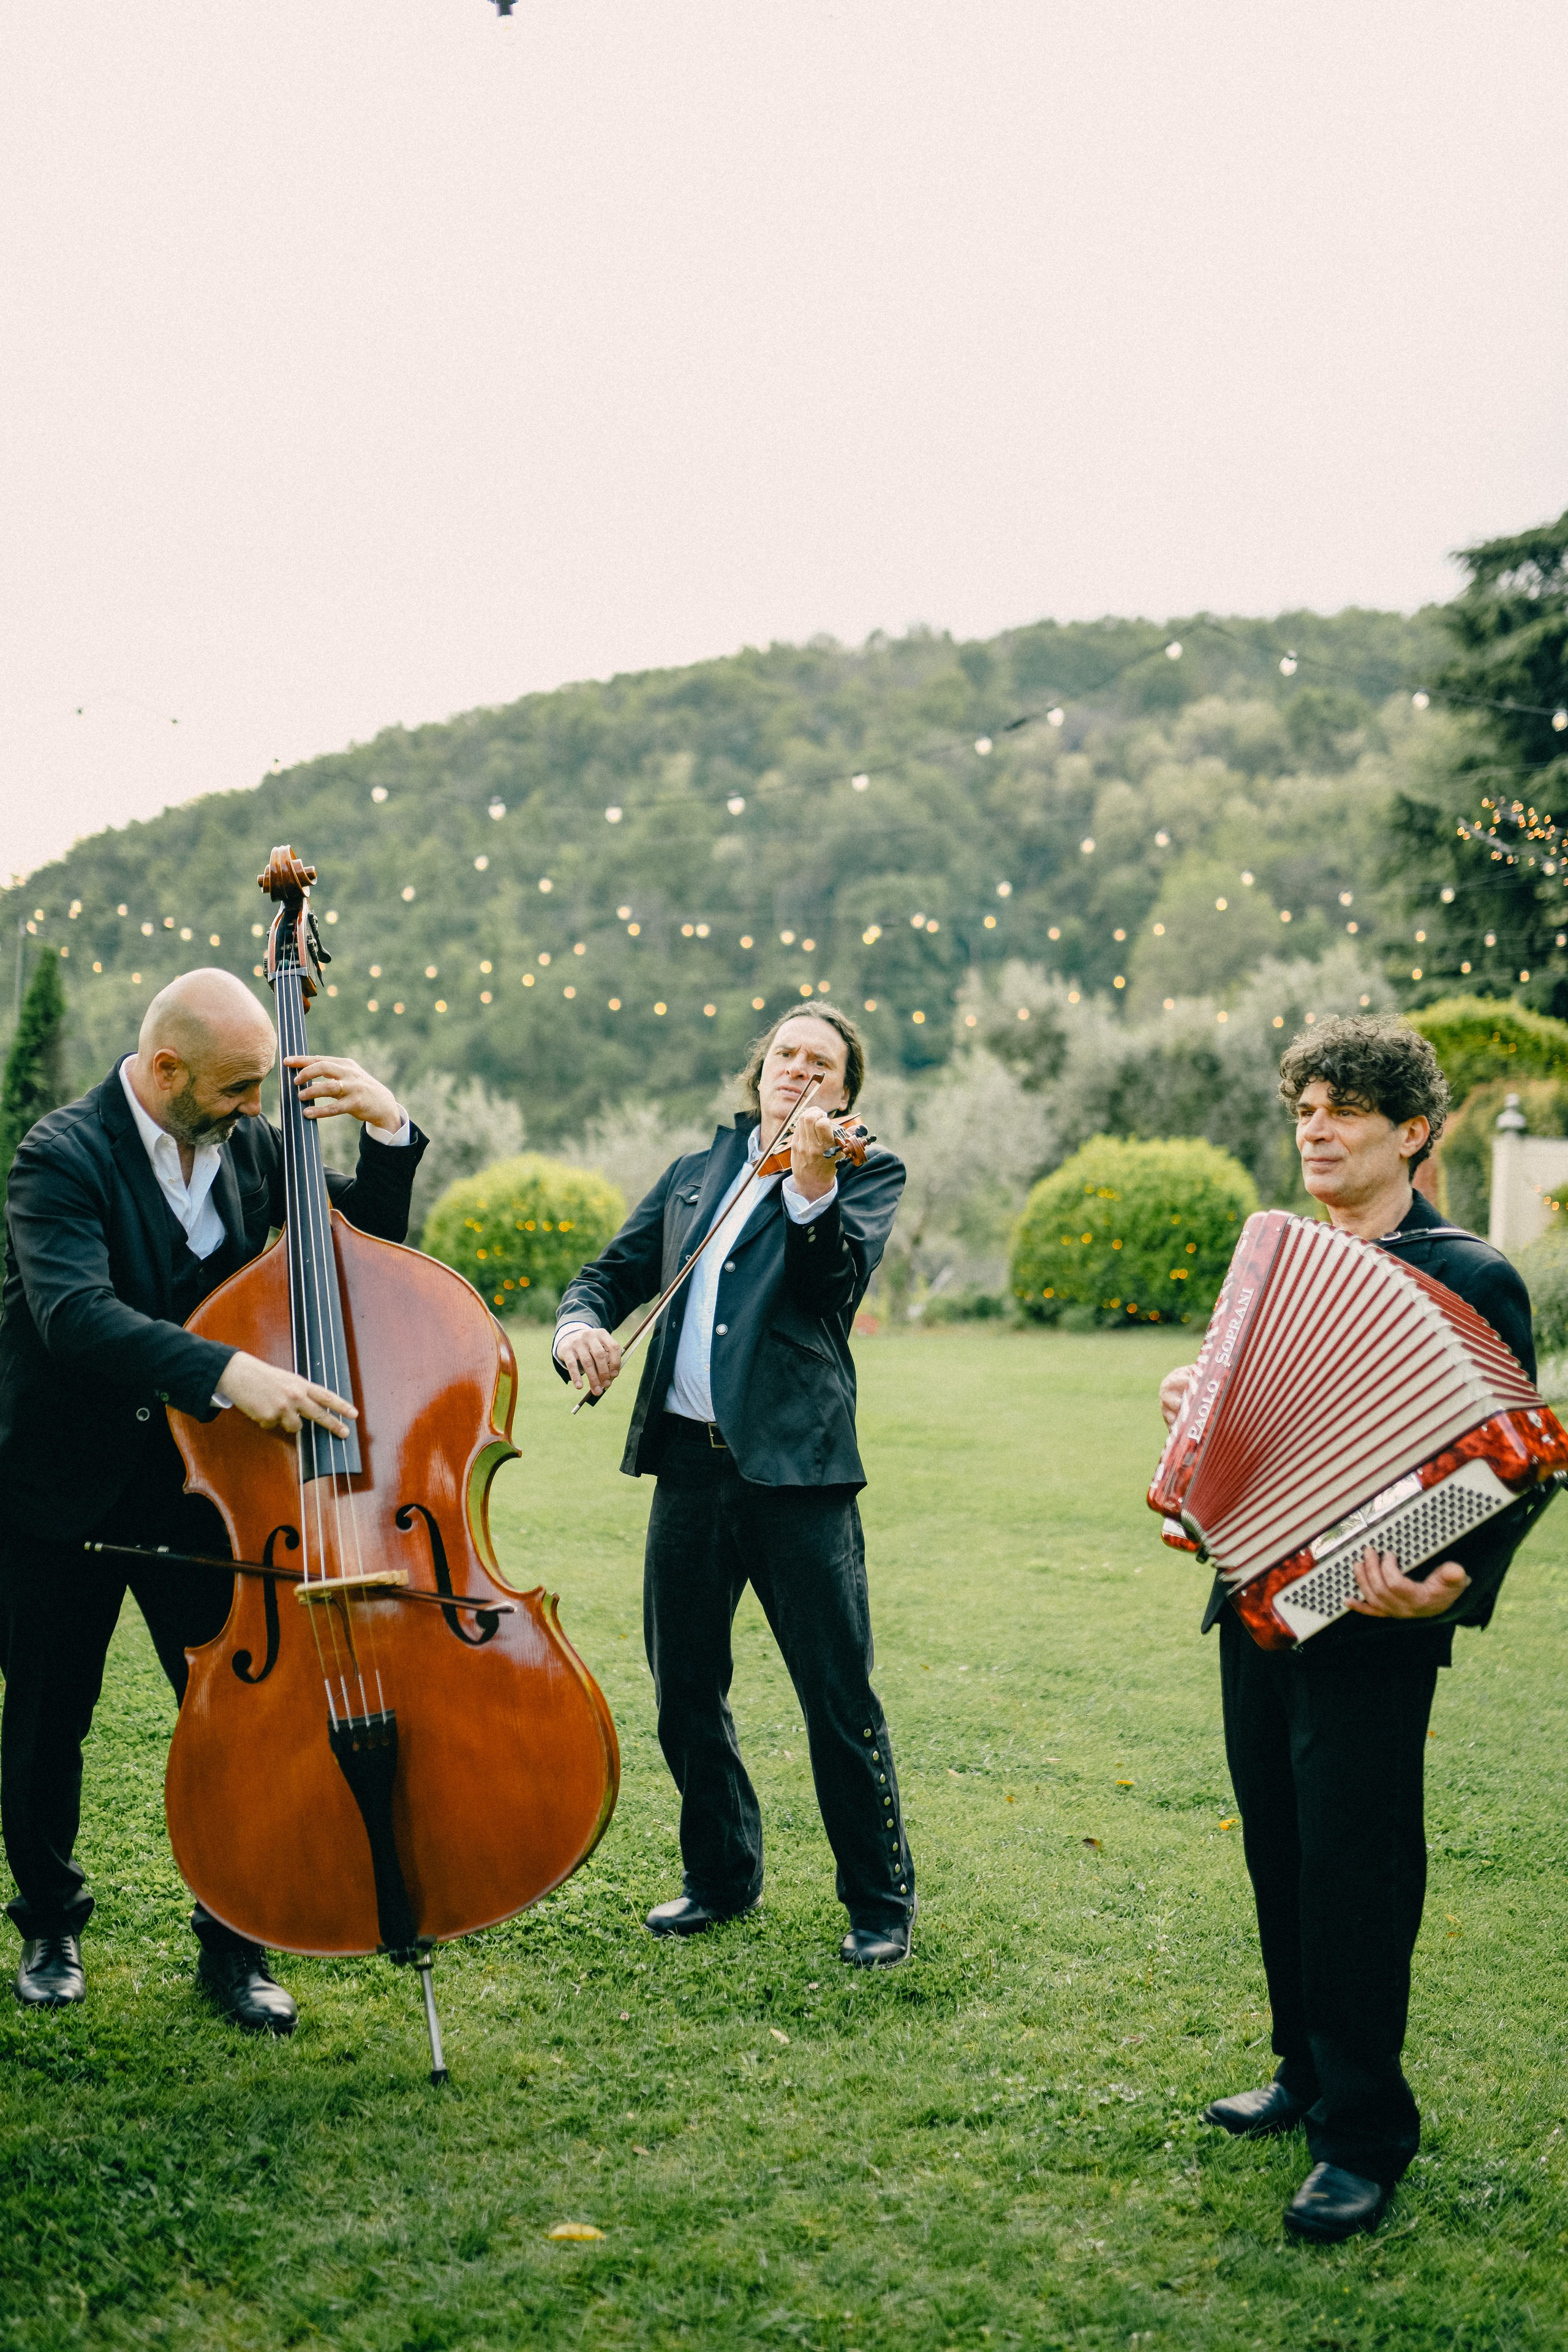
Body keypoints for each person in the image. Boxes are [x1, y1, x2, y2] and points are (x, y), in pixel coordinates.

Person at [1157, 1014, 1542, 2242]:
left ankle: (1365, 2133)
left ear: (1413, 1133)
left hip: (1374, 1619)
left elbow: (1514, 1461)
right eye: (1305, 1111)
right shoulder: (1280, 1260)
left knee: (1355, 1869)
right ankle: (1303, 2070)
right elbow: (1245, 1414)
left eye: (1345, 1112)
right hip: (1258, 1597)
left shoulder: (1472, 1275)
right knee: (1277, 1846)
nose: (1315, 1132)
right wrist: (1191, 1406)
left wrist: (1447, 1588)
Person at [0, 968, 426, 2029]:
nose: (256, 1107)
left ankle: (236, 1940)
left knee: (236, 1720)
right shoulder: (61, 1155)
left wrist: (388, 1127)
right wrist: (229, 1370)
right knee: (50, 1720)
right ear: (166, 1069)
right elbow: (73, 1314)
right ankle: (50, 1924)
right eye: (238, 1088)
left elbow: (359, 1239)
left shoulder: (252, 1145)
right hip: (59, 1491)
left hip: (203, 1494)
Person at [554, 1007, 915, 1965]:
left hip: (798, 1472)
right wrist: (578, 1328)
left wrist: (811, 1184)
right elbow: (608, 1274)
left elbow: (831, 1288)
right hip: (687, 1467)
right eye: (786, 1054)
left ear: (844, 1092)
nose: (799, 1069)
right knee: (684, 1688)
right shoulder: (695, 1173)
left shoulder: (863, 1172)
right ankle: (721, 1875)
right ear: (761, 1071)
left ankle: (880, 1904)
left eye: (821, 1063)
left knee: (836, 1695)